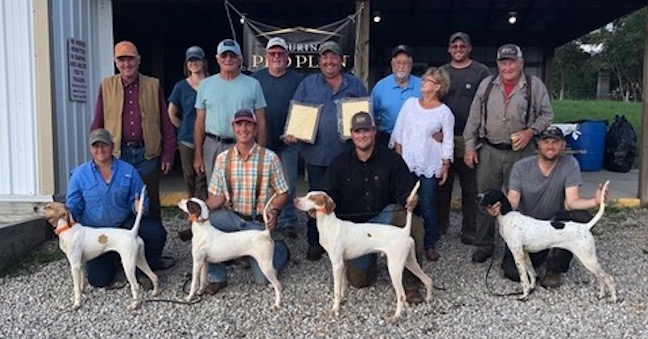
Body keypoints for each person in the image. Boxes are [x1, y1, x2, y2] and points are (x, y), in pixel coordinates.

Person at [463, 43, 554, 263]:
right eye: (504, 62)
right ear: (498, 64)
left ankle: (521, 244)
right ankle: (484, 244)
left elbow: (547, 115)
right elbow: (473, 118)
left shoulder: (534, 86)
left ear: (521, 63)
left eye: (512, 61)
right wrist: (468, 146)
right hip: (489, 150)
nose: (508, 66)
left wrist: (530, 132)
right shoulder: (486, 85)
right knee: (485, 198)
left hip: (522, 153)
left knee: (523, 199)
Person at [486, 126, 607, 288]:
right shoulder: (521, 167)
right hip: (527, 229)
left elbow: (572, 202)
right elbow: (513, 201)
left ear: (563, 145)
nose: (550, 146)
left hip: (553, 224)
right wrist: (499, 208)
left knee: (580, 216)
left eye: (555, 142)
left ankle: (555, 269)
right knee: (512, 273)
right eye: (546, 141)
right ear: (538, 144)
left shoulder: (570, 164)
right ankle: (538, 260)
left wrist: (595, 201)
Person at [325, 111, 426, 303]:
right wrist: (321, 206)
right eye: (357, 131)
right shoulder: (338, 163)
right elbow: (330, 195)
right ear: (351, 134)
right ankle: (373, 262)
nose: (362, 135)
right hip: (354, 230)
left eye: (366, 130)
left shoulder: (392, 159)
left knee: (411, 223)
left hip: (383, 219)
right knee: (360, 281)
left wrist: (410, 199)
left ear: (374, 131)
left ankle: (411, 284)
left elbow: (405, 189)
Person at [286, 40, 368, 261]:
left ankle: (349, 244)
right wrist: (294, 131)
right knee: (315, 200)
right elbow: (296, 115)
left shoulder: (355, 85)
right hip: (316, 155)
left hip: (348, 155)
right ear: (319, 61)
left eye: (333, 57)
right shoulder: (307, 85)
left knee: (349, 197)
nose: (329, 61)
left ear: (341, 60)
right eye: (325, 57)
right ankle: (315, 242)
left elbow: (366, 117)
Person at [202, 108, 290, 294]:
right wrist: (198, 211)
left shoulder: (270, 158)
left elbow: (283, 193)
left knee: (262, 280)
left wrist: (273, 211)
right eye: (239, 124)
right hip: (232, 217)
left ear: (256, 128)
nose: (243, 129)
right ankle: (218, 276)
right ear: (233, 128)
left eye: (248, 124)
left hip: (256, 221)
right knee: (204, 228)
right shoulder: (222, 159)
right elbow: (217, 197)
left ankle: (280, 250)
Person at [66, 129, 167, 288]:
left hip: (123, 224)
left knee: (156, 233)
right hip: (96, 233)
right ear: (90, 149)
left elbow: (141, 199)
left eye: (104, 145)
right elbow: (73, 207)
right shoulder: (78, 175)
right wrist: (64, 221)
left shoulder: (129, 171)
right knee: (99, 280)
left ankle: (142, 270)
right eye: (95, 146)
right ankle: (116, 258)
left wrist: (138, 206)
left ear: (113, 146)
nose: (100, 150)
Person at [91, 40, 176, 222]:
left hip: (147, 154)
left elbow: (165, 122)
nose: (126, 64)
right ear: (116, 63)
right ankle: (121, 247)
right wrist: (97, 153)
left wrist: (168, 154)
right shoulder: (106, 86)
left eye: (130, 59)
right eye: (122, 60)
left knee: (150, 202)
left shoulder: (153, 85)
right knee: (119, 201)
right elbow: (98, 122)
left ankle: (153, 246)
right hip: (118, 154)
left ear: (138, 60)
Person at [390, 67, 454, 262]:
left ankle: (429, 243)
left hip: (429, 164)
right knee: (406, 203)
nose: (422, 82)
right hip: (406, 164)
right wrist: (398, 157)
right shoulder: (409, 104)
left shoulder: (445, 112)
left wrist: (445, 165)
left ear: (437, 87)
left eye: (426, 80)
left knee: (427, 205)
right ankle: (406, 239)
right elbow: (398, 131)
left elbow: (448, 140)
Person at [437, 32, 490, 244]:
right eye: (454, 46)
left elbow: (486, 105)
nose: (458, 49)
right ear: (449, 49)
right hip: (445, 138)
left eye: (462, 46)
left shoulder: (481, 71)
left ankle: (470, 229)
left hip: (470, 139)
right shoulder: (443, 72)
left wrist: (479, 136)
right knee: (443, 186)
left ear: (469, 48)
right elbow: (433, 100)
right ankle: (441, 226)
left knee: (470, 187)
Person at [194, 39, 267, 183]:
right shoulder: (205, 85)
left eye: (233, 56)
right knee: (215, 191)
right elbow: (199, 122)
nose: (228, 59)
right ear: (217, 58)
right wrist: (198, 153)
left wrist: (261, 153)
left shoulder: (253, 84)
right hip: (213, 144)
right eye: (224, 55)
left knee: (245, 189)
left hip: (244, 145)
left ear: (240, 59)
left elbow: (261, 121)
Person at [252, 37, 303, 238]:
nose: (276, 56)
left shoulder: (297, 79)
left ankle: (288, 220)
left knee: (288, 184)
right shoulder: (256, 79)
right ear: (266, 56)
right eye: (272, 53)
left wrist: (297, 132)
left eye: (280, 53)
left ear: (287, 56)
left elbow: (304, 109)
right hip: (262, 141)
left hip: (288, 142)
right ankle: (265, 218)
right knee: (264, 183)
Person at [168, 46, 209, 201]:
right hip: (187, 140)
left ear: (203, 62)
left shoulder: (212, 83)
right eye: (191, 60)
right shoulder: (180, 87)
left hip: (209, 139)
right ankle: (192, 214)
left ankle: (204, 212)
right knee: (190, 177)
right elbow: (171, 113)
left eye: (197, 59)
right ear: (186, 64)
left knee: (203, 177)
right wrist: (183, 126)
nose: (194, 63)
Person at [371, 44, 422, 146]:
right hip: (386, 137)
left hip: (415, 138)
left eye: (405, 63)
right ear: (392, 65)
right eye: (398, 63)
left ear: (411, 65)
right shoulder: (381, 86)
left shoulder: (422, 86)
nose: (401, 67)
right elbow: (372, 114)